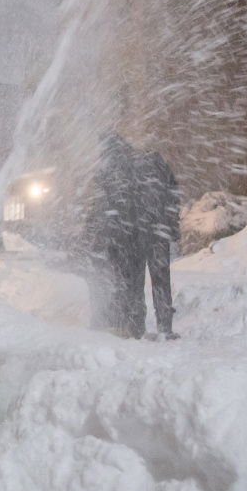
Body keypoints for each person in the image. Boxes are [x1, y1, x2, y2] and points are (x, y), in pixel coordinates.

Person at [84, 132, 143, 338]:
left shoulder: (110, 167)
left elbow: (102, 204)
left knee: (109, 278)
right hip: (129, 234)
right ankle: (127, 323)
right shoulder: (132, 164)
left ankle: (111, 323)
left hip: (116, 234)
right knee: (126, 280)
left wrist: (93, 229)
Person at [133, 148, 180, 340]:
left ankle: (137, 326)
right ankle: (165, 327)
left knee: (136, 281)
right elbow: (174, 201)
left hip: (137, 234)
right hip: (159, 234)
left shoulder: (133, 171)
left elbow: (128, 203)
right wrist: (172, 228)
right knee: (161, 281)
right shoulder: (163, 170)